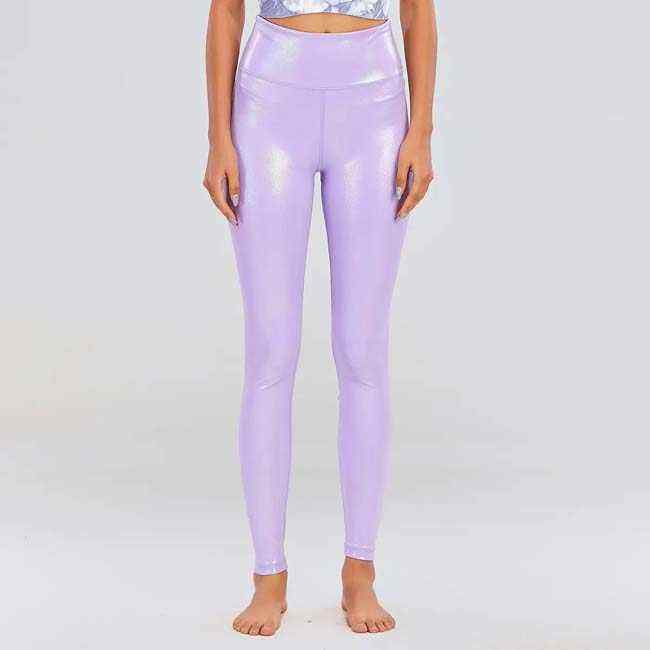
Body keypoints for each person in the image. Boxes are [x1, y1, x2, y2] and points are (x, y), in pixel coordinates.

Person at [203, 0, 437, 636]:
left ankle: (360, 569)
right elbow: (225, 12)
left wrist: (421, 130)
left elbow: (418, 11)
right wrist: (219, 137)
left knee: (362, 352)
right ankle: (268, 574)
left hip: (375, 105)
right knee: (271, 352)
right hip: (269, 102)